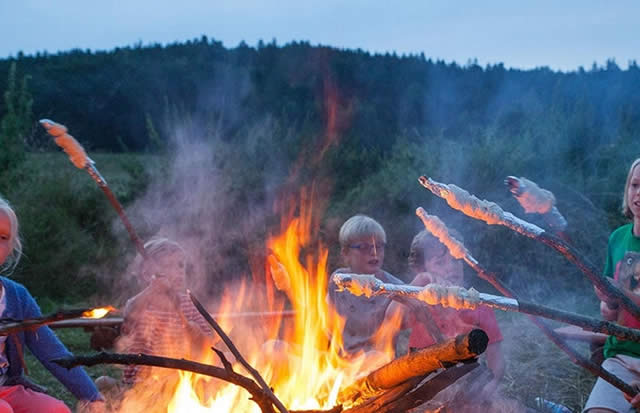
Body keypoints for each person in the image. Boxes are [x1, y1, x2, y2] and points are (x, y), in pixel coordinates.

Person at [0, 195, 104, 413]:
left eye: (2, 237)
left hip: (5, 389)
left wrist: (93, 398)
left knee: (55, 409)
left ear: (11, 248)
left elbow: (53, 352)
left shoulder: (17, 297)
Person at [97, 237, 213, 410]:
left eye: (181, 265)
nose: (178, 271)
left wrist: (187, 324)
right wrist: (152, 290)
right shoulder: (143, 301)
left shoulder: (187, 303)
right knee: (102, 383)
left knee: (189, 381)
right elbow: (130, 313)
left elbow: (208, 340)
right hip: (140, 384)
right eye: (168, 266)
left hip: (179, 378)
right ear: (147, 274)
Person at [388, 229, 505, 396]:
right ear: (422, 268)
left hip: (464, 387)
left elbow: (497, 360)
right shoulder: (420, 303)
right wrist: (419, 282)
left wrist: (490, 387)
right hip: (420, 390)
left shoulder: (479, 306)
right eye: (440, 262)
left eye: (456, 260)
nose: (451, 267)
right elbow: (390, 320)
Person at [585, 157, 640, 413]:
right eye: (635, 185)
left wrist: (621, 292)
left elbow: (622, 292)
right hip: (620, 355)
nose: (638, 194)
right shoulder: (618, 238)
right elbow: (610, 310)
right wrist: (607, 302)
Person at [327, 215, 404, 356]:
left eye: (379, 246)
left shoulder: (395, 289)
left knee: (372, 357)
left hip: (378, 365)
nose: (374, 253)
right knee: (275, 348)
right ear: (345, 253)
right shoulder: (338, 281)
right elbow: (326, 326)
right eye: (363, 247)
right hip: (340, 363)